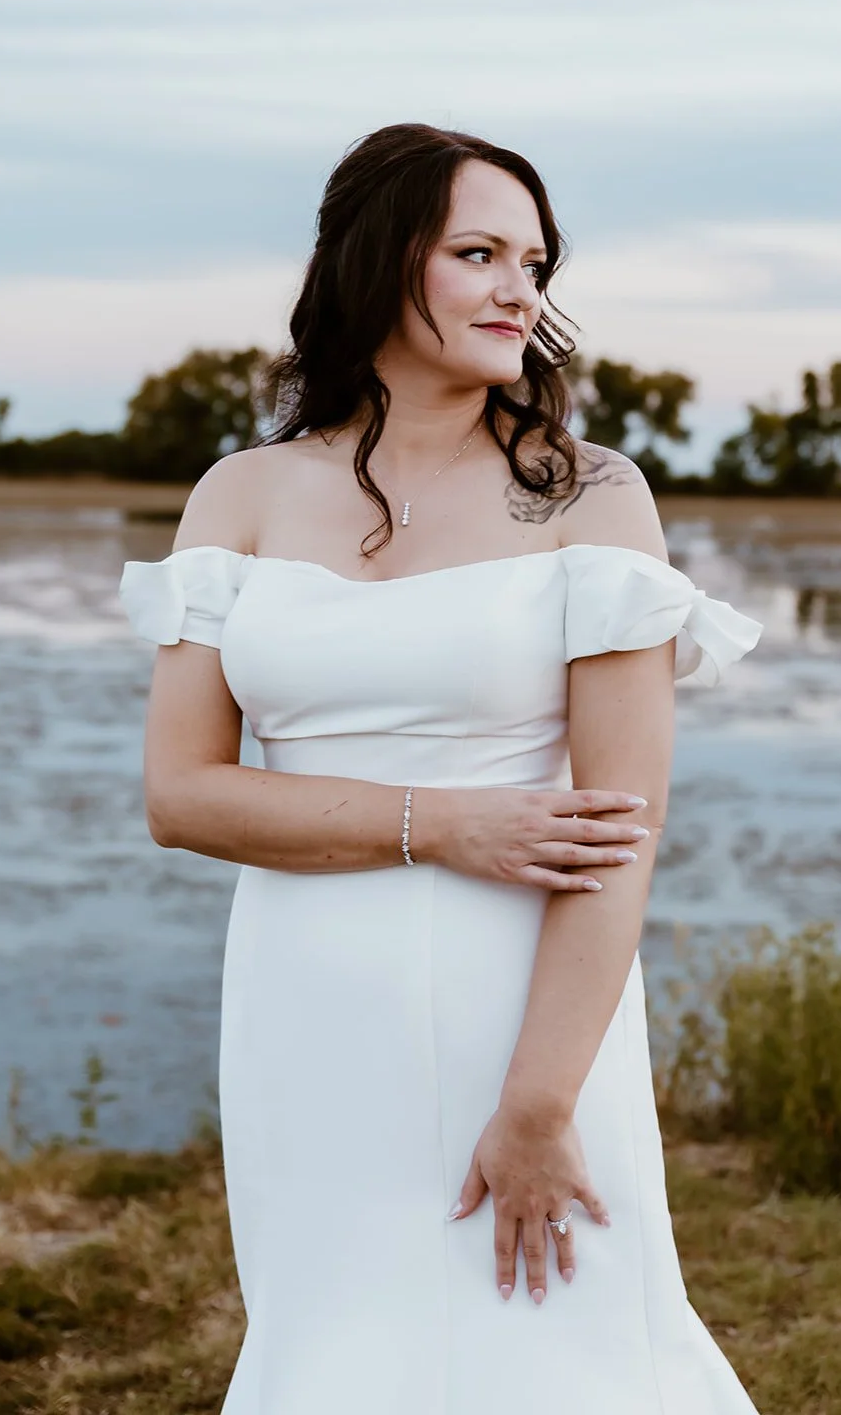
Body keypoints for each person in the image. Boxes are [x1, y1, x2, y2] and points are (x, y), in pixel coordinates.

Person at [119, 122, 763, 1414]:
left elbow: (619, 832)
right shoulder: (240, 496)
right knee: (336, 1355)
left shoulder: (588, 496)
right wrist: (443, 823)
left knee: (566, 1355)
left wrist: (538, 1104)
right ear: (377, 261)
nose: (519, 289)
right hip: (307, 1010)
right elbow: (181, 796)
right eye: (478, 254)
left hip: (524, 1012)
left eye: (535, 261)